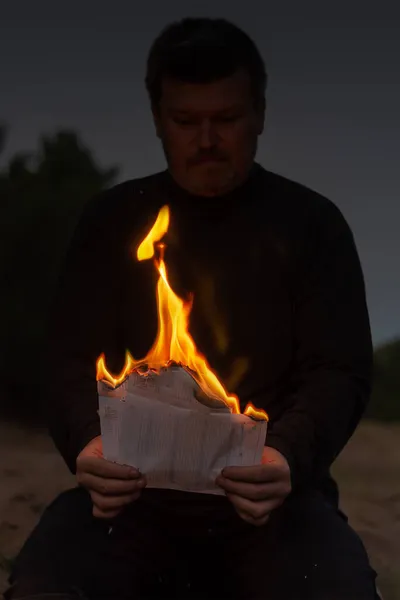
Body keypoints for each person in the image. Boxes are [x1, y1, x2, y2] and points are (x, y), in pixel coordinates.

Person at [5, 17, 380, 600]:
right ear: (158, 120)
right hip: (128, 503)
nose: (206, 140)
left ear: (259, 113)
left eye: (226, 120)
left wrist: (285, 454)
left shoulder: (312, 225)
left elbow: (339, 368)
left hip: (269, 503)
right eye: (186, 121)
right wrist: (87, 443)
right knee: (45, 584)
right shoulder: (111, 222)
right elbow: (67, 358)